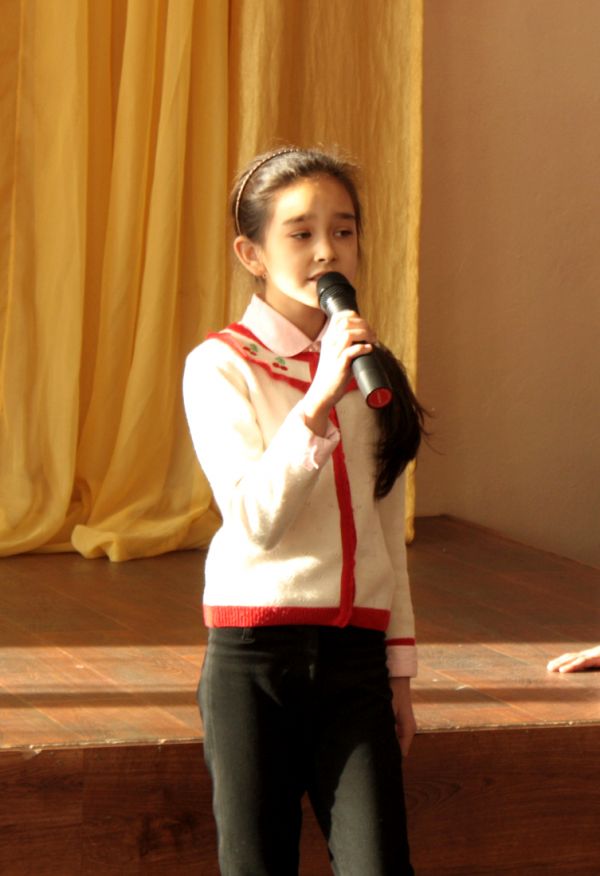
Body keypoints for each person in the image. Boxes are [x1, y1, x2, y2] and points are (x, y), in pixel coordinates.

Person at [183, 146, 427, 876]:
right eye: (301, 233)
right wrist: (317, 401)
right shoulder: (220, 366)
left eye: (344, 230)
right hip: (254, 661)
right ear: (251, 253)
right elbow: (255, 519)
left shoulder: (368, 371)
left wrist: (400, 673)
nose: (327, 250)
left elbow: (386, 533)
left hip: (356, 662)